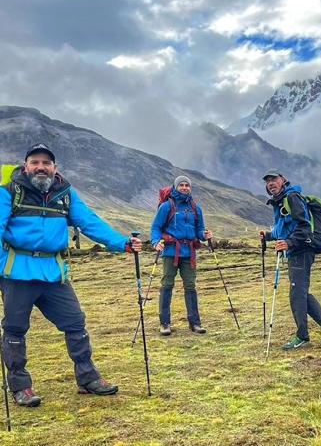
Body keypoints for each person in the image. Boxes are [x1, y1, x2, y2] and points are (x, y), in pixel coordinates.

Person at [0, 143, 143, 407]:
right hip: (17, 273)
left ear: (55, 168)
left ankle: (88, 378)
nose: (41, 167)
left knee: (75, 322)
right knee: (15, 328)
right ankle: (20, 386)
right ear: (25, 166)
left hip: (54, 274)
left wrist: (121, 242)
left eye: (46, 163)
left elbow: (89, 222)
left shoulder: (64, 193)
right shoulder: (9, 191)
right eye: (35, 162)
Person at [260, 169, 321, 350]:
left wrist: (288, 243)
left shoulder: (292, 198)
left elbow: (303, 227)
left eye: (274, 179)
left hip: (301, 251)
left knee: (297, 294)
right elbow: (284, 228)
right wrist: (268, 235)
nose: (271, 183)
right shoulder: (281, 202)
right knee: (301, 293)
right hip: (297, 251)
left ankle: (303, 336)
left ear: (283, 180)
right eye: (267, 181)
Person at [150, 175, 212, 336]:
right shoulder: (166, 206)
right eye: (181, 185)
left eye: (187, 185)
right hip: (171, 251)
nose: (185, 187)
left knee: (190, 286)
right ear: (175, 187)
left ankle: (195, 323)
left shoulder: (195, 208)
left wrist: (205, 235)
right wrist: (156, 241)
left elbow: (199, 230)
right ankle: (164, 323)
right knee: (167, 285)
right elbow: (156, 227)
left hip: (189, 252)